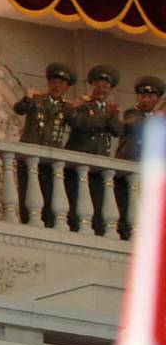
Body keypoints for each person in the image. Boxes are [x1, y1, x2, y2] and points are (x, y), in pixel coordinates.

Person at [62, 64, 122, 234]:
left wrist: (111, 116)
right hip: (80, 159)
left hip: (99, 161)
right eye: (98, 85)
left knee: (97, 198)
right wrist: (106, 117)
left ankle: (97, 229)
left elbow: (117, 130)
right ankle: (74, 226)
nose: (101, 89)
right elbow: (82, 123)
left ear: (110, 88)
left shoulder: (112, 109)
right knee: (76, 197)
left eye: (105, 86)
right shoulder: (83, 104)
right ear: (92, 86)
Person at [14, 62, 73, 226]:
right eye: (54, 82)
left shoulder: (67, 107)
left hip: (51, 157)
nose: (57, 86)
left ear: (66, 87)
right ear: (48, 83)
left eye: (61, 83)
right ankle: (26, 219)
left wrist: (78, 109)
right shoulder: (37, 100)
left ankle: (47, 221)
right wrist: (27, 98)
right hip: (31, 153)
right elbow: (19, 109)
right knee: (27, 190)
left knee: (49, 191)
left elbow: (78, 123)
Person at [115, 74, 162, 238]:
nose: (146, 99)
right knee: (126, 201)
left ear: (157, 99)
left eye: (151, 96)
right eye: (143, 95)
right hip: (130, 166)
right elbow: (135, 124)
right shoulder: (133, 113)